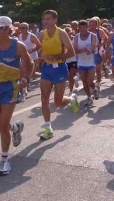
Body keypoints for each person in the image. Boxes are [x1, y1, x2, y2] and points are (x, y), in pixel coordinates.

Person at [0, 16, 33, 176]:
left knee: (2, 124)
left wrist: (25, 78)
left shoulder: (19, 46)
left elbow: (30, 63)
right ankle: (15, 128)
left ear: (7, 29)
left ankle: (4, 160)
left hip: (10, 87)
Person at [39, 10, 78, 140]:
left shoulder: (61, 33)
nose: (46, 21)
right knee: (44, 99)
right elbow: (42, 51)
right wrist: (41, 58)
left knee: (58, 102)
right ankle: (48, 127)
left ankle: (71, 99)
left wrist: (55, 56)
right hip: (46, 68)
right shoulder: (41, 34)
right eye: (44, 19)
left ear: (55, 20)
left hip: (60, 68)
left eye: (49, 19)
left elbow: (71, 52)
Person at [73, 20, 98, 106]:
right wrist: (82, 50)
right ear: (78, 28)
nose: (83, 29)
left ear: (88, 27)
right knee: (84, 83)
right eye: (81, 27)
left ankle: (94, 89)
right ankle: (89, 97)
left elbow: (94, 47)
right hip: (81, 63)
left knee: (89, 81)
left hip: (91, 62)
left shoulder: (92, 36)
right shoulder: (76, 37)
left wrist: (90, 50)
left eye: (85, 27)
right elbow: (74, 50)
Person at [18, 22, 41, 100]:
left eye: (23, 28)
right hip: (24, 58)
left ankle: (43, 76)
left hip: (33, 57)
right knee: (24, 73)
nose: (21, 29)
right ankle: (26, 86)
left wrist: (32, 50)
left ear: (27, 28)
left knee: (32, 74)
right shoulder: (20, 36)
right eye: (20, 28)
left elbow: (39, 45)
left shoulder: (32, 36)